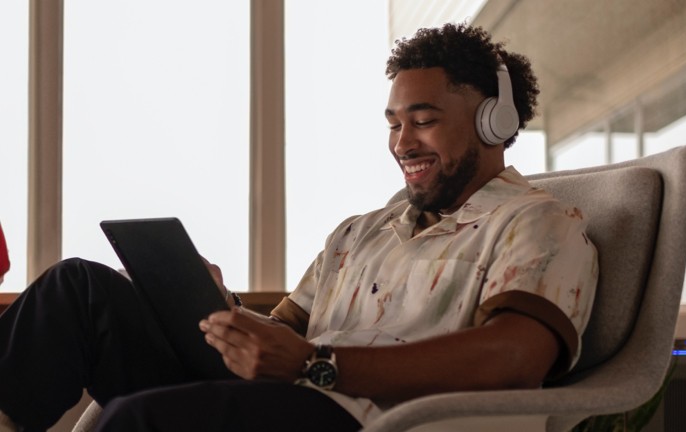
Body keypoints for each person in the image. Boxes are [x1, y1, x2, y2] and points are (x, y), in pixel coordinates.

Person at [0, 23, 598, 432]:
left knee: (136, 419)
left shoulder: (536, 222)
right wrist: (220, 304)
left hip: (367, 416)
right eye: (393, 123)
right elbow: (283, 332)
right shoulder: (361, 231)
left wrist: (317, 364)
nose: (402, 142)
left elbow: (515, 356)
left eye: (424, 120)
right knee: (78, 290)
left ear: (494, 123)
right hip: (294, 390)